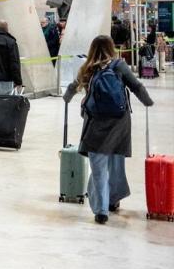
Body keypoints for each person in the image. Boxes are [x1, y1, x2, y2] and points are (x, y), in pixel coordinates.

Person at [63, 35, 154, 224]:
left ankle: (101, 209)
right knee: (116, 162)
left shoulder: (88, 67)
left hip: (96, 122)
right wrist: (148, 101)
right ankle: (114, 200)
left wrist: (66, 98)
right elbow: (136, 86)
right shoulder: (118, 65)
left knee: (99, 166)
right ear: (111, 47)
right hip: (119, 122)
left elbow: (73, 87)